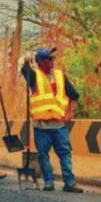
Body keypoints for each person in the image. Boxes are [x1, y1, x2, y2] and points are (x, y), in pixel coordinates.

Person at [21, 48, 83, 193]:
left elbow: (74, 95)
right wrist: (25, 62)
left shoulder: (60, 76)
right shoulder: (35, 75)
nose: (51, 61)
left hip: (59, 125)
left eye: (52, 59)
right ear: (40, 62)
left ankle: (70, 183)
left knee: (65, 153)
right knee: (43, 154)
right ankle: (49, 181)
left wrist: (70, 113)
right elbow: (25, 71)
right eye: (47, 59)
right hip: (41, 125)